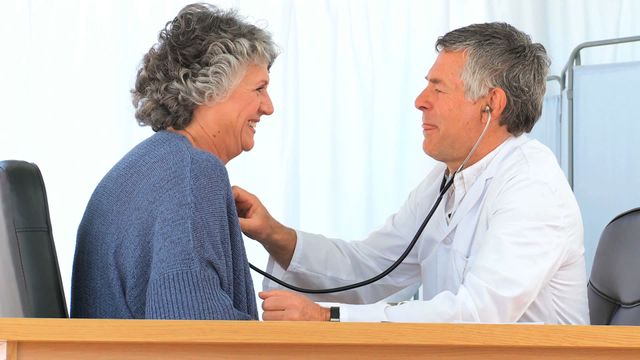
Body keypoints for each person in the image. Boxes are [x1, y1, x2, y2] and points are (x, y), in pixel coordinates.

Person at [233, 22, 589, 323]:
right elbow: (370, 267)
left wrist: (330, 318)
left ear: (490, 104)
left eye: (438, 88)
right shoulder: (446, 180)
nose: (421, 100)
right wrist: (272, 233)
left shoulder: (532, 186)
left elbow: (478, 314)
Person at [71, 3, 278, 319]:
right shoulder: (192, 172)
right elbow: (198, 334)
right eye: (259, 88)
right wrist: (298, 337)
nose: (268, 107)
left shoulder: (148, 166)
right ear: (211, 88)